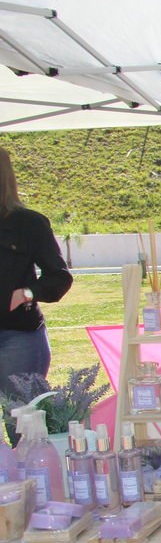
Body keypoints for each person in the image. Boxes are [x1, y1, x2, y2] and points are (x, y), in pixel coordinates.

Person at [0, 147, 73, 405]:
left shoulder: (29, 223)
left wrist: (27, 293)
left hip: (17, 337)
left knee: (23, 422)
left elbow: (59, 277)